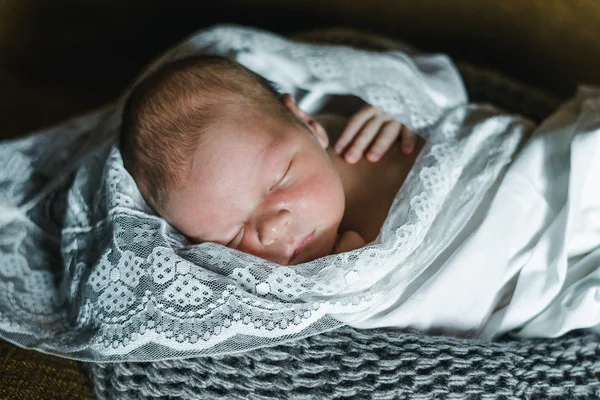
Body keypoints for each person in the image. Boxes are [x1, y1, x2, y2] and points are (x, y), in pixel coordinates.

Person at [119, 54, 424, 265]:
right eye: (232, 238)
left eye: (279, 180)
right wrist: (356, 283)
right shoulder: (306, 284)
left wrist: (408, 105)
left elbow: (443, 81)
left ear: (307, 123)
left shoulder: (356, 126)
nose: (272, 230)